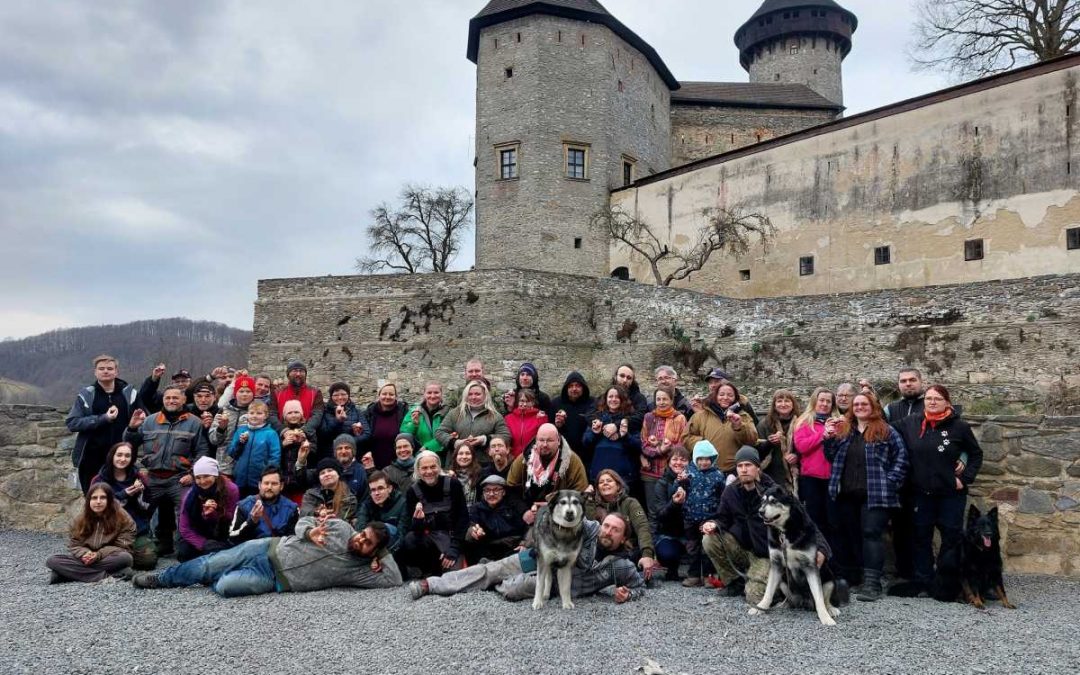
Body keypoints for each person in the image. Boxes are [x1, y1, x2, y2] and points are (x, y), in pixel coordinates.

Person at [407, 512, 644, 605]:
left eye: (615, 530)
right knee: (490, 572)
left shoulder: (620, 566)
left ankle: (495, 577)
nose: (607, 531)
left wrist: (628, 594)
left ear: (624, 538)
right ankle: (432, 584)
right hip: (537, 562)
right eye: (607, 526)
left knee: (513, 590)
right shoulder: (586, 529)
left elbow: (639, 584)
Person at [132, 517, 402, 595]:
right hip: (267, 548)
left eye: (368, 543)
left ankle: (211, 573)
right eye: (363, 533)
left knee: (226, 588)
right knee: (209, 565)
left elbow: (395, 579)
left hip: (275, 579)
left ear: (374, 551)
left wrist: (382, 554)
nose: (360, 539)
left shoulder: (362, 570)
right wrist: (308, 533)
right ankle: (162, 579)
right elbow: (302, 520)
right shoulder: (341, 527)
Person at [702, 446, 832, 603]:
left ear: (758, 467)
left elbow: (805, 522)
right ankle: (734, 582)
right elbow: (722, 518)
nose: (743, 470)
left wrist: (823, 549)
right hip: (741, 549)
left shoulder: (776, 492)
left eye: (748, 465)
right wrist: (712, 524)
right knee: (709, 540)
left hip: (766, 555)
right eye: (740, 466)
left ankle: (772, 587)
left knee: (755, 597)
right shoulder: (730, 492)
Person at [893, 385, 983, 596]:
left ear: (947, 403)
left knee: (951, 538)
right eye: (929, 398)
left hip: (950, 495)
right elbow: (883, 428)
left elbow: (976, 454)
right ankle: (924, 581)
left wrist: (965, 478)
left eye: (938, 399)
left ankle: (946, 580)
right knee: (921, 537)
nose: (932, 402)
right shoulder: (911, 423)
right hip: (921, 494)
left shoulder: (959, 426)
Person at [824, 392, 909, 601]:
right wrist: (828, 438)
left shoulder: (886, 430)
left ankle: (872, 583)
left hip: (876, 494)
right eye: (857, 404)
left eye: (864, 404)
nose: (860, 407)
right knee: (852, 534)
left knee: (871, 533)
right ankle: (857, 576)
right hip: (846, 493)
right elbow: (831, 455)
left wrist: (891, 481)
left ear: (873, 407)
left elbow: (901, 458)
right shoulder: (845, 430)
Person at [124, 384, 209, 556]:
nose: (171, 401)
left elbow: (202, 451)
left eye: (175, 398)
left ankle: (186, 547)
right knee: (139, 510)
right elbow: (129, 445)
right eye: (168, 398)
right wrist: (132, 428)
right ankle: (143, 546)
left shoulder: (194, 423)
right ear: (163, 400)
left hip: (179, 478)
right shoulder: (149, 421)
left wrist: (193, 475)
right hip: (152, 477)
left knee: (186, 511)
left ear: (184, 400)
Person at [66, 354, 141, 491]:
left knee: (122, 501)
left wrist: (133, 427)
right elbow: (72, 423)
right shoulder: (87, 395)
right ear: (95, 372)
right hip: (91, 459)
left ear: (116, 371)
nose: (105, 371)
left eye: (109, 368)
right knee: (95, 501)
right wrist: (103, 418)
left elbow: (141, 422)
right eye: (101, 368)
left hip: (121, 459)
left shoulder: (130, 394)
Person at [884, 366, 926, 584]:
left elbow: (956, 431)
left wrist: (962, 458)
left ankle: (923, 574)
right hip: (898, 479)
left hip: (923, 477)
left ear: (920, 382)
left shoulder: (931, 404)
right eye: (903, 381)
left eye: (912, 380)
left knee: (922, 527)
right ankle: (903, 573)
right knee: (899, 528)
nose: (908, 384)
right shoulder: (891, 408)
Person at [46, 483, 136, 583]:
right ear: (88, 500)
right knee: (52, 560)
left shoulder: (123, 518)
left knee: (125, 558)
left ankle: (66, 574)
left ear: (109, 500)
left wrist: (98, 555)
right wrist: (86, 554)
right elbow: (74, 544)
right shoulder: (79, 518)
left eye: (102, 498)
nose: (98, 502)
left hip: (108, 556)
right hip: (86, 557)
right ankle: (110, 574)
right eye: (94, 498)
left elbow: (122, 546)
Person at [400, 451, 469, 576]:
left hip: (452, 537)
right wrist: (418, 521)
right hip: (430, 540)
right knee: (410, 539)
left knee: (456, 576)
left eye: (433, 467)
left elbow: (463, 519)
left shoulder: (453, 484)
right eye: (424, 468)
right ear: (418, 470)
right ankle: (430, 568)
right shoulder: (413, 491)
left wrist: (454, 549)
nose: (429, 471)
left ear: (439, 467)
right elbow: (415, 530)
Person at [89, 442, 156, 569]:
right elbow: (94, 508)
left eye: (127, 456)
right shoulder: (99, 479)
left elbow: (148, 506)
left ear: (132, 459)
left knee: (148, 562)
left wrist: (142, 493)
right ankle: (118, 559)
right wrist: (123, 495)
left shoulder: (139, 477)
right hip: (107, 528)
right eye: (119, 455)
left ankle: (118, 560)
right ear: (112, 456)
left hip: (135, 529)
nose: (123, 459)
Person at [791, 387, 841, 543]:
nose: (825, 404)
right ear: (815, 401)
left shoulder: (838, 421)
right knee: (815, 519)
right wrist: (822, 435)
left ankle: (833, 559)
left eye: (828, 401)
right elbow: (801, 447)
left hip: (833, 478)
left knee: (834, 520)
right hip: (811, 478)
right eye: (822, 400)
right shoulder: (803, 422)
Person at [583, 469, 656, 576]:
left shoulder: (630, 503)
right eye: (601, 482)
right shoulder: (592, 504)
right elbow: (589, 531)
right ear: (597, 488)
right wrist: (589, 499)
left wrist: (647, 555)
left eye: (609, 480)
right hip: (602, 549)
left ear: (618, 485)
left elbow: (642, 527)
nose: (605, 483)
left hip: (626, 549)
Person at [506, 423, 589, 515]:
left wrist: (552, 506)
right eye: (541, 440)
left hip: (560, 514)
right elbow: (510, 489)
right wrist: (524, 511)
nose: (545, 444)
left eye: (550, 440)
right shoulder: (524, 459)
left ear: (558, 441)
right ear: (536, 440)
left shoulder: (571, 461)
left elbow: (580, 494)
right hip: (528, 512)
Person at [679, 440, 727, 587]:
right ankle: (694, 575)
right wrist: (681, 482)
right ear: (695, 459)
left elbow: (723, 496)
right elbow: (680, 490)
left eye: (707, 459)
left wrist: (718, 515)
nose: (704, 462)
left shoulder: (718, 475)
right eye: (700, 459)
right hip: (690, 517)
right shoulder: (689, 473)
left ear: (712, 459)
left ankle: (709, 576)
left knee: (707, 548)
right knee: (692, 548)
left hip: (709, 518)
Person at [683, 381, 758, 474]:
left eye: (730, 395)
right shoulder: (700, 416)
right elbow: (686, 437)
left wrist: (739, 427)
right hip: (705, 470)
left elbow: (752, 441)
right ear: (715, 396)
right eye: (721, 394)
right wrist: (702, 444)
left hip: (735, 471)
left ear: (735, 398)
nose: (725, 398)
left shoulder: (743, 416)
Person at [640, 387, 688, 523]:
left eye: (665, 399)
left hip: (671, 472)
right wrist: (660, 450)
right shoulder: (649, 417)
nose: (661, 402)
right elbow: (643, 444)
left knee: (671, 508)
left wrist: (668, 447)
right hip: (650, 472)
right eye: (658, 399)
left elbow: (681, 445)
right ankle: (652, 541)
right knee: (652, 511)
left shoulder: (679, 418)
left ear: (672, 400)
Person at [178, 457, 239, 562]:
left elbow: (233, 519)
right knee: (185, 553)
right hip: (199, 533)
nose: (202, 481)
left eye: (206, 476)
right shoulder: (190, 496)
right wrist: (203, 544)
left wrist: (214, 513)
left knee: (224, 554)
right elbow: (184, 528)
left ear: (215, 475)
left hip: (222, 532)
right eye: (198, 477)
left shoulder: (231, 489)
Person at [435, 380, 510, 465]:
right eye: (470, 394)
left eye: (477, 394)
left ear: (485, 395)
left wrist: (484, 439)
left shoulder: (495, 416)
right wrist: (455, 442)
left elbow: (505, 436)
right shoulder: (455, 413)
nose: (473, 397)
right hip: (456, 463)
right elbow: (439, 432)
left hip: (484, 464)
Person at [583, 384, 643, 489]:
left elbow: (638, 445)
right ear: (605, 399)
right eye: (610, 397)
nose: (613, 399)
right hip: (600, 475)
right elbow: (586, 442)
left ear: (622, 400)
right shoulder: (598, 418)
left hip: (623, 476)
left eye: (617, 397)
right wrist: (595, 433)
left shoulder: (629, 420)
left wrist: (625, 436)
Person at [464, 475, 527, 563]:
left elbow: (526, 528)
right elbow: (471, 525)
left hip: (512, 548)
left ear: (504, 492)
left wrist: (524, 543)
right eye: (487, 490)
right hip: (488, 550)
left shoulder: (514, 506)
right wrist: (473, 531)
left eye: (496, 490)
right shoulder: (477, 508)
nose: (491, 494)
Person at [228, 466, 300, 543]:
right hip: (250, 551)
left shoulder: (292, 509)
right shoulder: (244, 505)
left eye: (274, 484)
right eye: (266, 483)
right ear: (259, 485)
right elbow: (232, 539)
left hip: (277, 551)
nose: (269, 487)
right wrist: (252, 521)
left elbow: (293, 541)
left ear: (281, 486)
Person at [226, 401, 281, 498]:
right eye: (251, 413)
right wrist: (240, 443)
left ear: (265, 416)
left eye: (259, 413)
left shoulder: (271, 434)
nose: (254, 416)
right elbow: (232, 453)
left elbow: (275, 456)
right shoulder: (241, 430)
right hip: (240, 478)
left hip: (259, 479)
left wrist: (267, 474)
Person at [653, 446, 692, 581]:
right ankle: (672, 567)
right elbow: (660, 514)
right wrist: (674, 504)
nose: (678, 463)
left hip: (691, 532)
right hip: (669, 533)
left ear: (689, 462)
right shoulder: (661, 484)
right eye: (675, 459)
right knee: (667, 554)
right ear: (669, 462)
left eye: (683, 459)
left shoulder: (696, 480)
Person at [210, 375, 257, 477]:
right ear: (235, 393)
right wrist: (221, 429)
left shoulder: (257, 413)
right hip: (224, 466)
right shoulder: (223, 411)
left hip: (247, 465)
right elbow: (213, 440)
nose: (244, 394)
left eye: (248, 391)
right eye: (241, 391)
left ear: (253, 394)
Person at [355, 470, 410, 553]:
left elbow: (401, 536)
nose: (376, 493)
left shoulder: (403, 504)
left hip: (395, 550)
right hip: (371, 548)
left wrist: (383, 557)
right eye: (373, 490)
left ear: (390, 489)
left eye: (380, 488)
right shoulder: (366, 505)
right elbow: (360, 529)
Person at [550, 371, 595, 465]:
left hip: (587, 455)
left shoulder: (592, 403)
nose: (574, 389)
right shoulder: (556, 403)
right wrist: (557, 425)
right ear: (566, 388)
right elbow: (549, 427)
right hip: (562, 454)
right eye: (570, 386)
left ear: (583, 387)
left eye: (578, 385)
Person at [361, 383, 408, 469]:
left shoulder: (404, 412)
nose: (387, 397)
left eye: (391, 394)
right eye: (384, 394)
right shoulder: (369, 413)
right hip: (374, 462)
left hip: (398, 464)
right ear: (379, 395)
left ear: (396, 397)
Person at [275, 360, 325, 440]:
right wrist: (284, 431)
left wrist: (303, 431)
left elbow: (317, 415)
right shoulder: (277, 393)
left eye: (301, 371)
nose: (298, 374)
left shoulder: (315, 393)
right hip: (282, 439)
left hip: (307, 438)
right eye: (294, 371)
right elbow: (272, 414)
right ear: (288, 375)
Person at [299, 458, 358, 523]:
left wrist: (325, 516)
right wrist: (318, 512)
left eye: (330, 470)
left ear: (338, 474)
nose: (326, 474)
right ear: (319, 478)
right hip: (312, 528)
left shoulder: (349, 498)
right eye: (322, 473)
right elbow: (304, 513)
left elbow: (342, 520)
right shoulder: (310, 494)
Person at [316, 382, 365, 460]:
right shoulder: (324, 412)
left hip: (351, 454)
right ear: (331, 396)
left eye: (343, 394)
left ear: (348, 395)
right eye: (336, 395)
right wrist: (337, 421)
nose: (340, 397)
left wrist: (350, 440)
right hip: (329, 455)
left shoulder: (356, 411)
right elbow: (322, 434)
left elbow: (367, 434)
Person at [400, 382, 449, 456]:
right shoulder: (414, 411)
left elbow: (449, 435)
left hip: (442, 457)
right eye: (429, 393)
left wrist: (427, 447)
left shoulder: (447, 412)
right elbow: (404, 435)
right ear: (424, 394)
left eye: (436, 392)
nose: (432, 396)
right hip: (419, 456)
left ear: (441, 394)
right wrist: (414, 424)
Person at [503, 388, 548, 457]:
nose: (524, 404)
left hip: (533, 456)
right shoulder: (508, 418)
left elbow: (544, 437)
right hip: (513, 456)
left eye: (527, 401)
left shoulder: (539, 417)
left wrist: (542, 420)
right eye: (521, 401)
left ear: (533, 402)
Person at [187, 381, 222, 457]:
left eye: (207, 396)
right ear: (194, 397)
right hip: (188, 457)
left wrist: (213, 427)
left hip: (212, 457)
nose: (203, 400)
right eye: (199, 396)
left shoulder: (221, 413)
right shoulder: (186, 411)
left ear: (214, 398)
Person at [332, 434, 370, 502]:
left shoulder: (362, 472)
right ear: (335, 453)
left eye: (347, 448)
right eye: (340, 448)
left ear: (353, 451)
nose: (343, 452)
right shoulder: (329, 471)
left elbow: (366, 501)